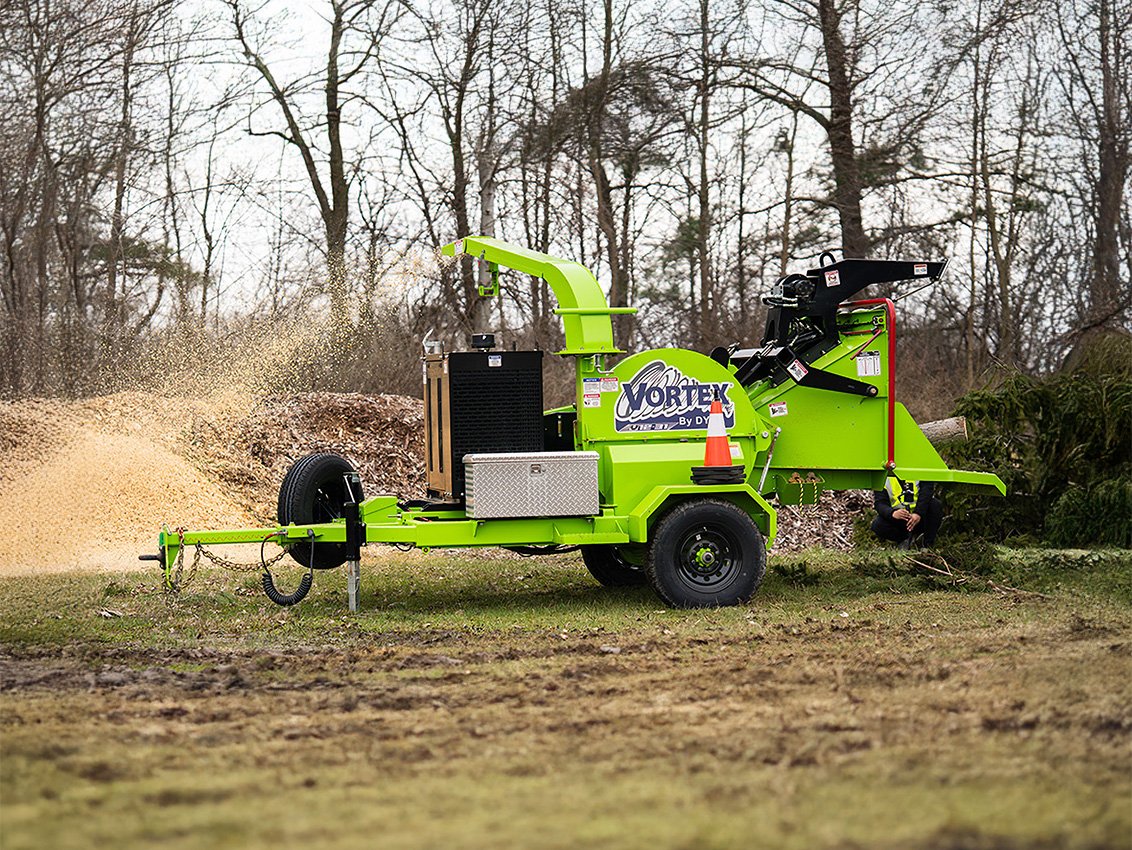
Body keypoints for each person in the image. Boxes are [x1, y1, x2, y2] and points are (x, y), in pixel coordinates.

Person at [872, 477, 942, 549]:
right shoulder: (884, 477)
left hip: (920, 517)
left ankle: (927, 544)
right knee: (878, 525)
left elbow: (927, 493)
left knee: (935, 505)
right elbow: (880, 503)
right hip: (898, 519)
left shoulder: (920, 469)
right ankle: (903, 539)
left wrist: (918, 513)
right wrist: (892, 513)